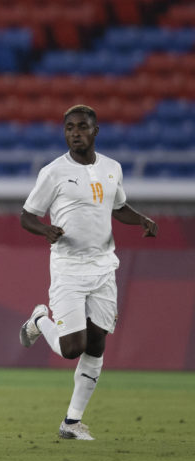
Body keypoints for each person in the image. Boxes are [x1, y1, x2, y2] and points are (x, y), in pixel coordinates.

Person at [19, 104, 158, 440]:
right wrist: (45, 231)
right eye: (69, 127)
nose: (75, 133)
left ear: (95, 131)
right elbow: (27, 216)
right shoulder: (53, 173)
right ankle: (39, 321)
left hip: (103, 268)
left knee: (96, 344)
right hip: (68, 268)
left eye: (82, 127)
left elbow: (118, 206)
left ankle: (72, 422)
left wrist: (140, 219)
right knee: (71, 348)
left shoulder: (112, 168)